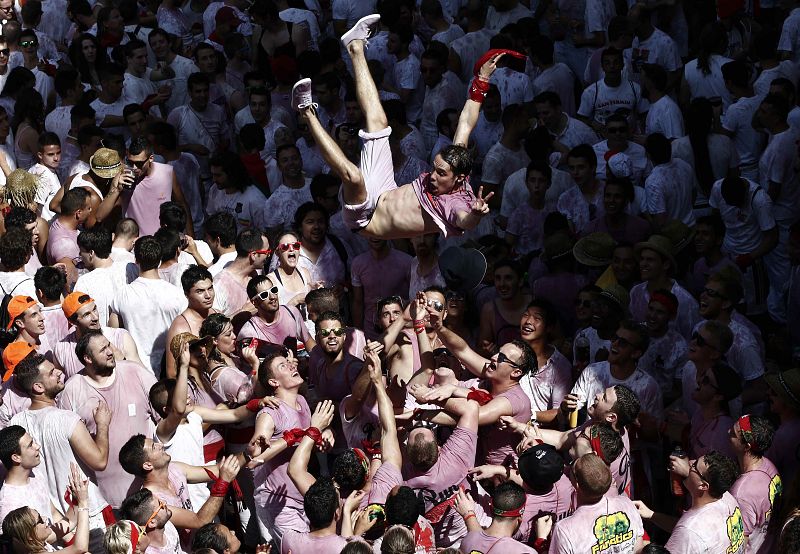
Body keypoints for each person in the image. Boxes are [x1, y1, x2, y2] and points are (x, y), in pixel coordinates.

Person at [293, 15, 495, 240]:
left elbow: (464, 220)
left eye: (440, 173)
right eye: (435, 167)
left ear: (458, 179)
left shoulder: (458, 203)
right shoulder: (456, 161)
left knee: (354, 177)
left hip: (367, 218)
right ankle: (356, 46)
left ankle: (306, 111)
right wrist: (482, 78)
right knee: (379, 122)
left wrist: (476, 214)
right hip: (384, 188)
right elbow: (466, 122)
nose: (432, 176)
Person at [9, 353, 114, 551]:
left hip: (52, 526)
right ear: (38, 387)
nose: (59, 372)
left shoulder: (16, 423)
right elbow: (99, 461)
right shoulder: (66, 419)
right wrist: (103, 425)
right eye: (51, 372)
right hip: (88, 518)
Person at [57, 330, 157, 509]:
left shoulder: (135, 372)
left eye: (108, 345)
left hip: (149, 492)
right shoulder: (71, 391)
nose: (110, 351)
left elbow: (162, 418)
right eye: (103, 350)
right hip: (105, 501)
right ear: (88, 358)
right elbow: (68, 446)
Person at [635, 451, 745, 554]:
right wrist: (651, 515)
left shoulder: (690, 531)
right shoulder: (727, 498)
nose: (690, 463)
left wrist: (641, 547)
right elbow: (688, 531)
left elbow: (689, 533)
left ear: (703, 485)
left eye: (694, 466)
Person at [110, 235, 188, 374]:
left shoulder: (121, 296)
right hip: (170, 371)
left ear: (136, 260)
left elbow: (113, 334)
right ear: (159, 260)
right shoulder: (177, 295)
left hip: (135, 371)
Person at [550, 453, 644, 552]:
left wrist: (541, 541)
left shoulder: (564, 530)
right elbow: (638, 548)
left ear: (577, 485)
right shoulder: (626, 504)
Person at [1, 464, 91, 554]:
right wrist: (83, 502)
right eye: (39, 520)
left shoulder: (38, 542)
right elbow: (80, 548)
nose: (45, 518)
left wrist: (76, 498)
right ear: (30, 536)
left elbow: (70, 522)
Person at [728, 414, 782, 553]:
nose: (728, 432)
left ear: (746, 446)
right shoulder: (769, 465)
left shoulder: (742, 492)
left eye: (733, 433)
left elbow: (739, 543)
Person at [454, 482, 535, 553]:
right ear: (520, 518)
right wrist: (541, 540)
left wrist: (469, 515)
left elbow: (477, 537)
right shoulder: (524, 552)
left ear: (491, 510)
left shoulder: (467, 541)